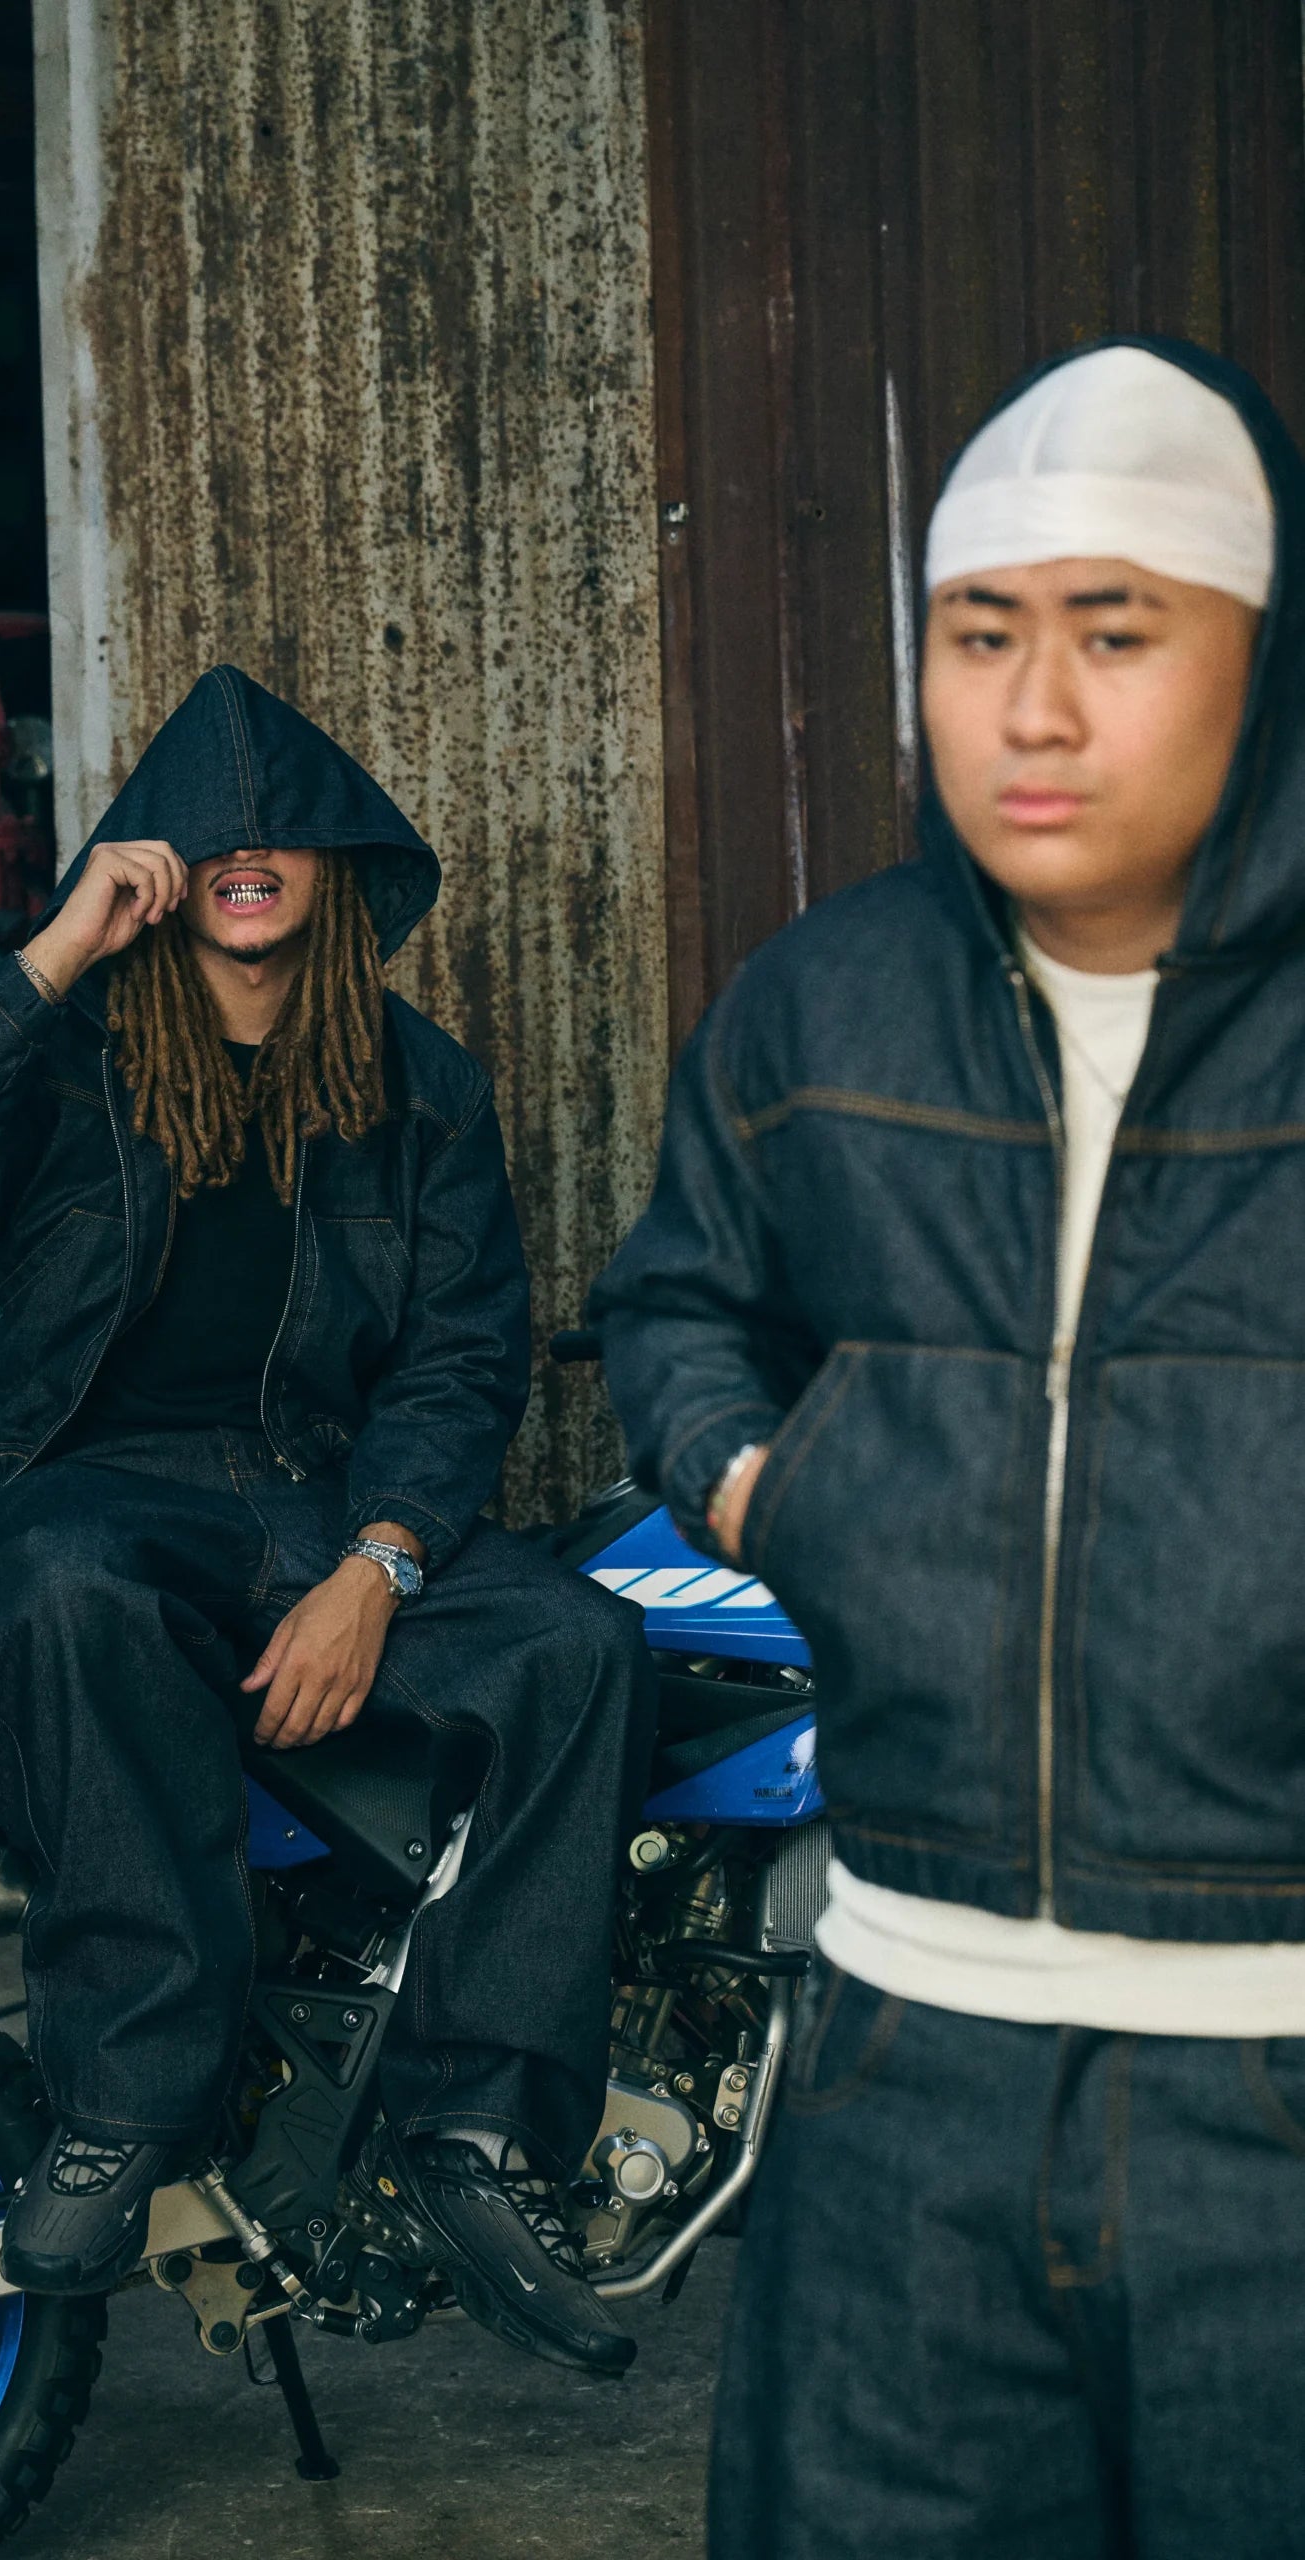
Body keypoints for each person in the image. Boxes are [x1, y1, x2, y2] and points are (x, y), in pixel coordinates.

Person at [591, 340, 1305, 2553]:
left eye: (1116, 633)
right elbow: (677, 1298)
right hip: (904, 2045)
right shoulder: (824, 1005)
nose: (1035, 709)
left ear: (1261, 657)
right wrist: (771, 1490)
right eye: (980, 634)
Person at [0, 664, 654, 2375]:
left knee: (582, 1649)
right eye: (206, 833)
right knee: (63, 1597)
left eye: (282, 831)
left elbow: (461, 1357)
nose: (245, 849)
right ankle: (129, 2106)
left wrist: (379, 1565)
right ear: (155, 869)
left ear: (337, 865)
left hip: (329, 1494)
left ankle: (469, 2131)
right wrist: (52, 952)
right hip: (105, 1494)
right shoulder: (66, 1054)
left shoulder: (423, 1087)